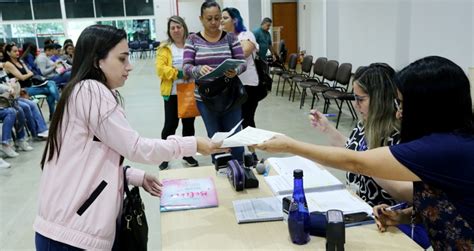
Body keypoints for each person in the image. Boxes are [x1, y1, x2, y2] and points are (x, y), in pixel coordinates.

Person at [34, 24, 224, 250]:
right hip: (71, 233)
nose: (129, 66)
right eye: (122, 59)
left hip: (70, 228)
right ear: (98, 61)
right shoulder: (91, 92)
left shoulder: (84, 91)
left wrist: (133, 176)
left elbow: (91, 158)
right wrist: (193, 144)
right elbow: (135, 147)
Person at [255, 56, 474, 249]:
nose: (398, 113)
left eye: (402, 104)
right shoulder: (452, 141)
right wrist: (404, 215)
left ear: (427, 107)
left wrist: (290, 145)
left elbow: (358, 162)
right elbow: (443, 201)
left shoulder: (443, 148)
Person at [311, 63, 412, 206]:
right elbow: (353, 148)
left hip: (382, 217)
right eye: (355, 98)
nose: (355, 104)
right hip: (357, 204)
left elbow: (405, 192)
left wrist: (364, 165)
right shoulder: (366, 122)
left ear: (380, 100)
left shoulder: (399, 135)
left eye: (361, 99)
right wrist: (327, 129)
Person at [183, 1, 247, 162]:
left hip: (230, 95)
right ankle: (222, 172)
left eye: (217, 18)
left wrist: (236, 70)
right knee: (215, 139)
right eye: (209, 18)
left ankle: (239, 170)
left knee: (235, 138)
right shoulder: (193, 39)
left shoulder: (230, 38)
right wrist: (198, 70)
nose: (213, 23)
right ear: (201, 19)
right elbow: (186, 67)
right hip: (206, 98)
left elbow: (242, 62)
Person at [156, 16, 199, 170]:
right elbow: (160, 69)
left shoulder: (192, 44)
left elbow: (199, 63)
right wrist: (179, 74)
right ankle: (165, 155)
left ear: (184, 27)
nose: (176, 30)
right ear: (169, 30)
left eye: (178, 27)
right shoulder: (165, 48)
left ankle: (187, 154)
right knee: (170, 125)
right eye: (172, 28)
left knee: (189, 126)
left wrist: (193, 71)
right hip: (172, 92)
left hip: (189, 91)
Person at [2, 44, 60, 120]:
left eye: (18, 51)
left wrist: (27, 74)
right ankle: (58, 109)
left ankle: (55, 114)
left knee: (51, 84)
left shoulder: (21, 61)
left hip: (32, 86)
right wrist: (27, 74)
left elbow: (30, 73)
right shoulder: (8, 64)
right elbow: (22, 78)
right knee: (50, 89)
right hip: (22, 90)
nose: (17, 53)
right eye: (14, 51)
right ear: (8, 53)